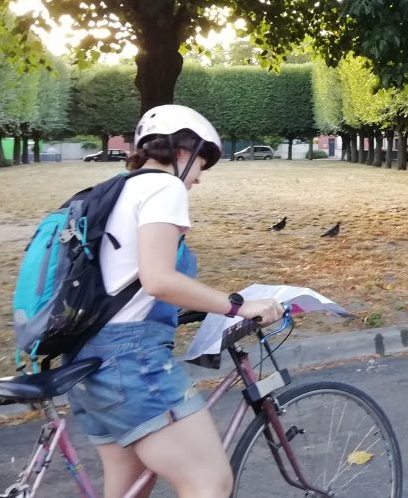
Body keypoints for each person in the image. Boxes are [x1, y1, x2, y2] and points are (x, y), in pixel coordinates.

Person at [68, 105, 285, 498]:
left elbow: (124, 281)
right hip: (130, 360)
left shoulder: (117, 188)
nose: (200, 178)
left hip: (87, 359)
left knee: (131, 486)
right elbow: (158, 279)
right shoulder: (163, 187)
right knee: (209, 482)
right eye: (202, 162)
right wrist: (238, 306)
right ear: (183, 151)